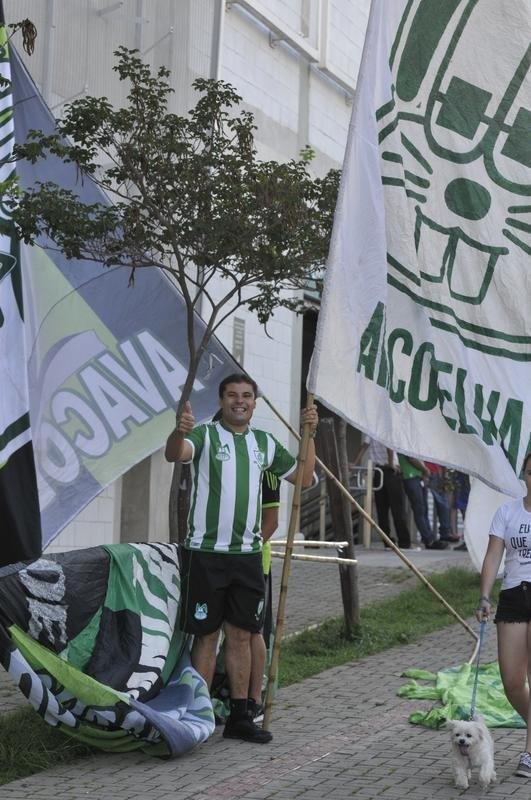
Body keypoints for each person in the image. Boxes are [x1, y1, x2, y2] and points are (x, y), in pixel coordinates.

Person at [165, 373, 318, 743]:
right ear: (221, 401)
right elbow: (175, 453)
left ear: (255, 402)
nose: (240, 401)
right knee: (206, 635)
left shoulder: (264, 443)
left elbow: (305, 477)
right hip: (206, 553)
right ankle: (196, 716)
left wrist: (309, 434)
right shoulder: (204, 435)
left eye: (247, 395)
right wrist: (178, 431)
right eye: (232, 395)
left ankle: (239, 717)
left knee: (241, 635)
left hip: (248, 557)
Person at [476, 452, 531, 778]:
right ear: (524, 475)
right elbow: (494, 555)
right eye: (530, 471)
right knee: (512, 681)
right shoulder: (507, 512)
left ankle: (528, 753)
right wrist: (484, 596)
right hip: (512, 595)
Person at [248, 470, 280, 721]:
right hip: (219, 556)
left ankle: (255, 698)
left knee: (253, 631)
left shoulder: (268, 470)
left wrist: (249, 551)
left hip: (255, 561)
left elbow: (272, 521)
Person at [355, 437, 411, 548]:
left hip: (378, 471)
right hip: (390, 470)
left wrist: (355, 462)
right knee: (398, 509)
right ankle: (404, 542)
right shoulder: (386, 427)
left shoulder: (370, 429)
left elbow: (364, 446)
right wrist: (391, 463)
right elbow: (389, 446)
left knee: (382, 510)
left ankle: (387, 541)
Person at [398, 454, 448, 549]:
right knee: (420, 509)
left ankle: (429, 538)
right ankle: (428, 540)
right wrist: (425, 470)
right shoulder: (407, 441)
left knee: (424, 509)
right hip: (410, 476)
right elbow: (411, 458)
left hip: (419, 475)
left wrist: (424, 473)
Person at [424, 462, 458, 543]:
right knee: (440, 503)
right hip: (432, 471)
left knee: (442, 504)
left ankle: (445, 532)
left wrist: (444, 472)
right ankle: (444, 532)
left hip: (435, 471)